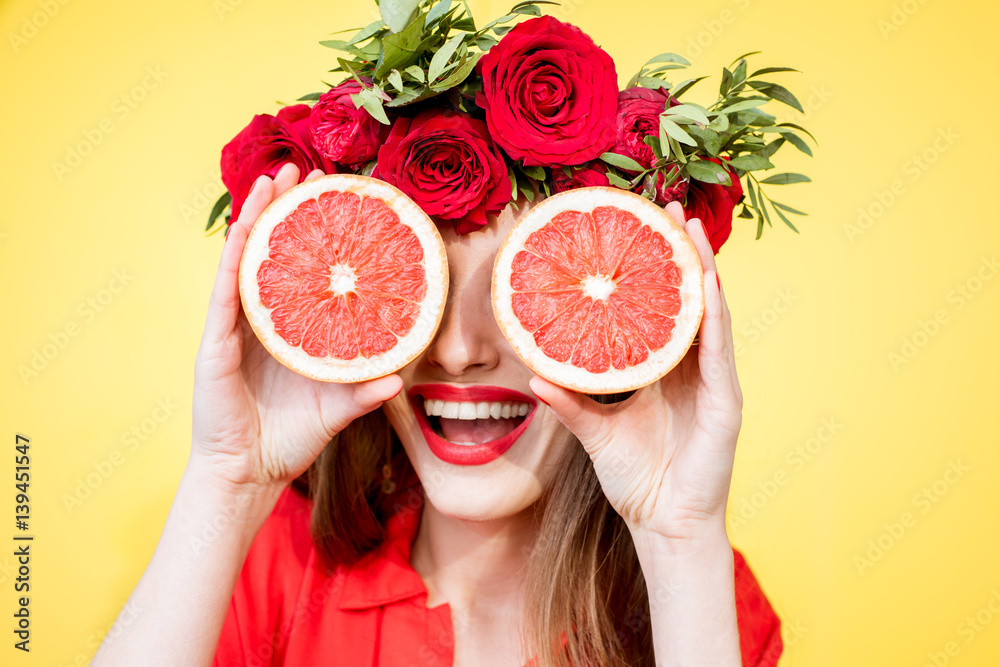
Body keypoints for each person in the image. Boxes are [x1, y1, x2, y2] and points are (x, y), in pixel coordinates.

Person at [91, 159, 783, 667]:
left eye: (516, 292)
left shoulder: (694, 589)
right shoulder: (274, 563)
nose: (455, 351)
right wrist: (227, 478)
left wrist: (680, 536)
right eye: (428, 288)